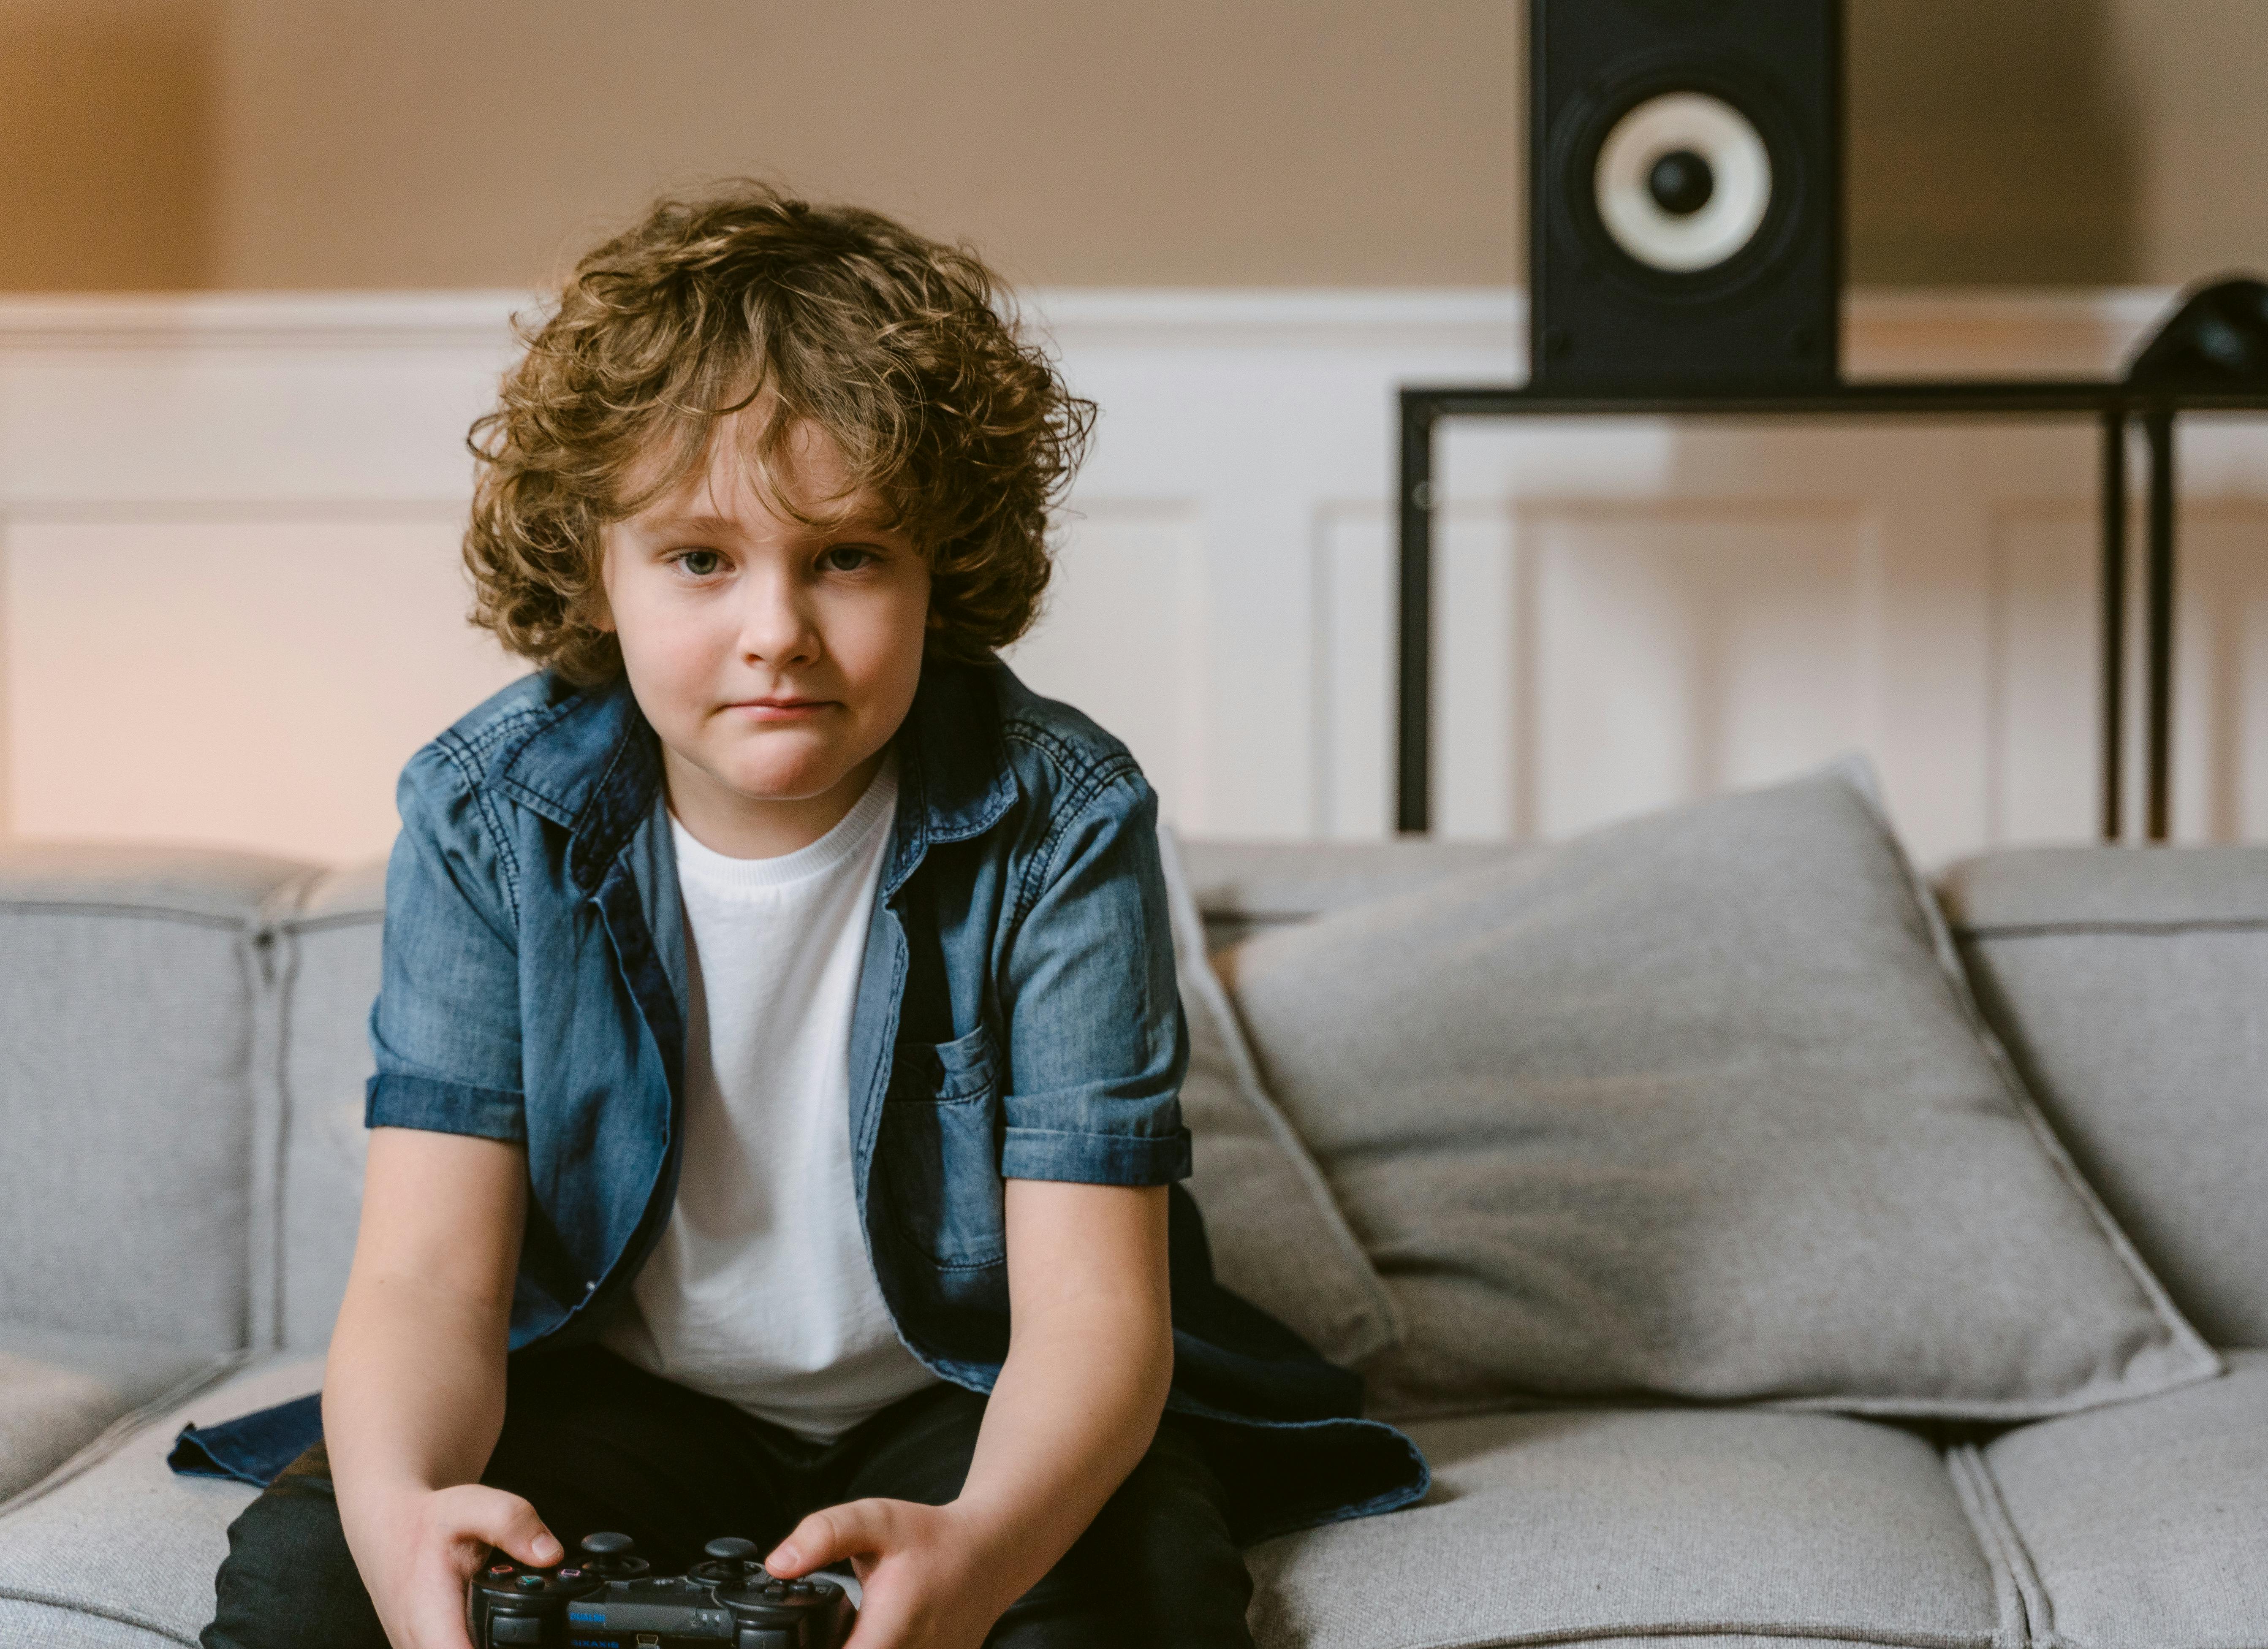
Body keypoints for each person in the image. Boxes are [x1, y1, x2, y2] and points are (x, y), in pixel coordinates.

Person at [193, 184, 1424, 1649]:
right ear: (600, 565)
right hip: (615, 1390)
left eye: (845, 555)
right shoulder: (489, 814)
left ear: (937, 572)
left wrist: (977, 1550)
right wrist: (401, 1512)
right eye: (701, 558)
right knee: (304, 1581)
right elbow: (423, 1278)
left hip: (965, 1394)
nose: (776, 626)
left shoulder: (1064, 818)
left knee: (1130, 1586)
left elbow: (1093, 1322)